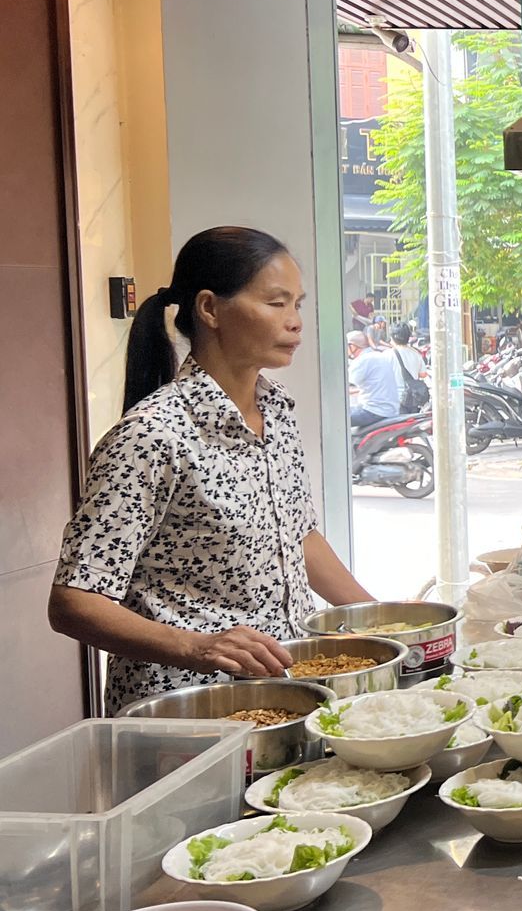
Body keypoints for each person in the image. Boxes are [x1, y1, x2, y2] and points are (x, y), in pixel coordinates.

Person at [48, 227, 374, 712]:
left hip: (278, 695)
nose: (295, 323)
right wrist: (199, 647)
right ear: (210, 309)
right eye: (276, 303)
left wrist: (380, 623)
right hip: (183, 707)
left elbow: (298, 537)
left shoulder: (277, 411)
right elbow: (74, 602)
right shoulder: (152, 435)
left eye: (298, 305)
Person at [346, 329, 403, 428]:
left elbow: (347, 382)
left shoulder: (362, 360)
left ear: (353, 346)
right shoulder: (378, 355)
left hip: (373, 411)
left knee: (338, 418)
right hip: (390, 409)